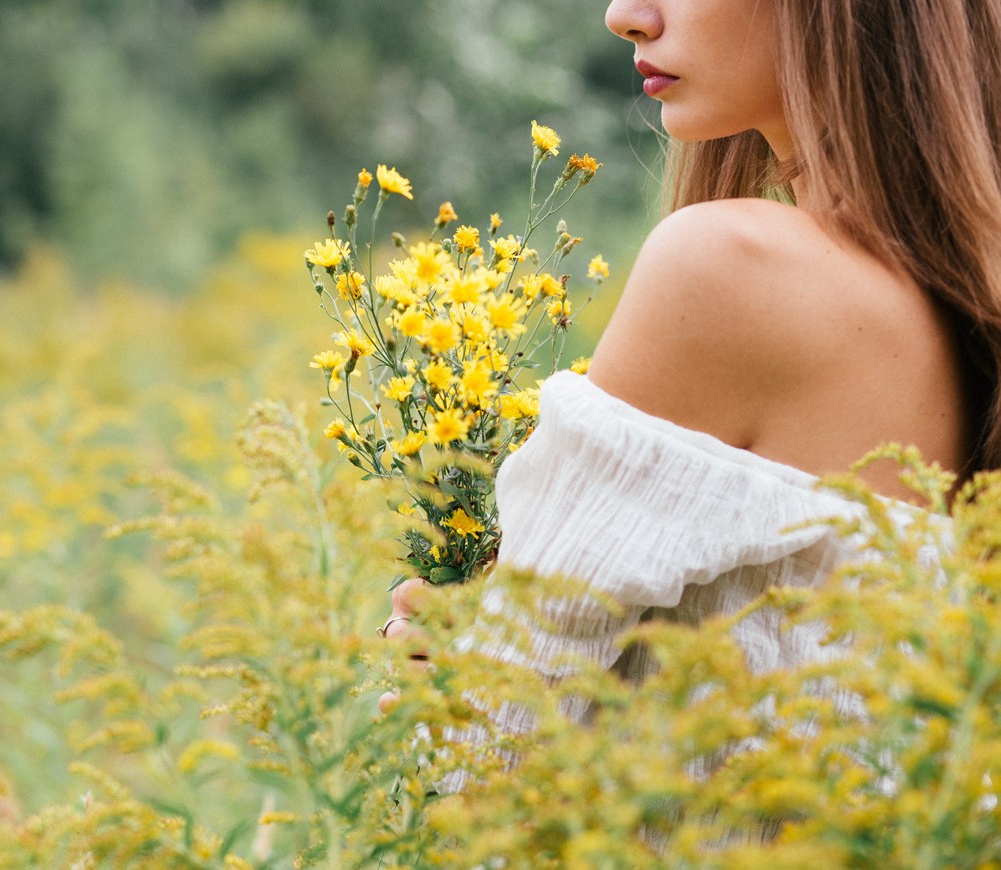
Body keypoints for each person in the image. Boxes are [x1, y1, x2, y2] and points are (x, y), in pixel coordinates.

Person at [378, 0, 1001, 715]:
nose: (625, 16)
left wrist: (437, 681)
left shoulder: (734, 269)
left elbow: (482, 760)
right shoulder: (956, 312)